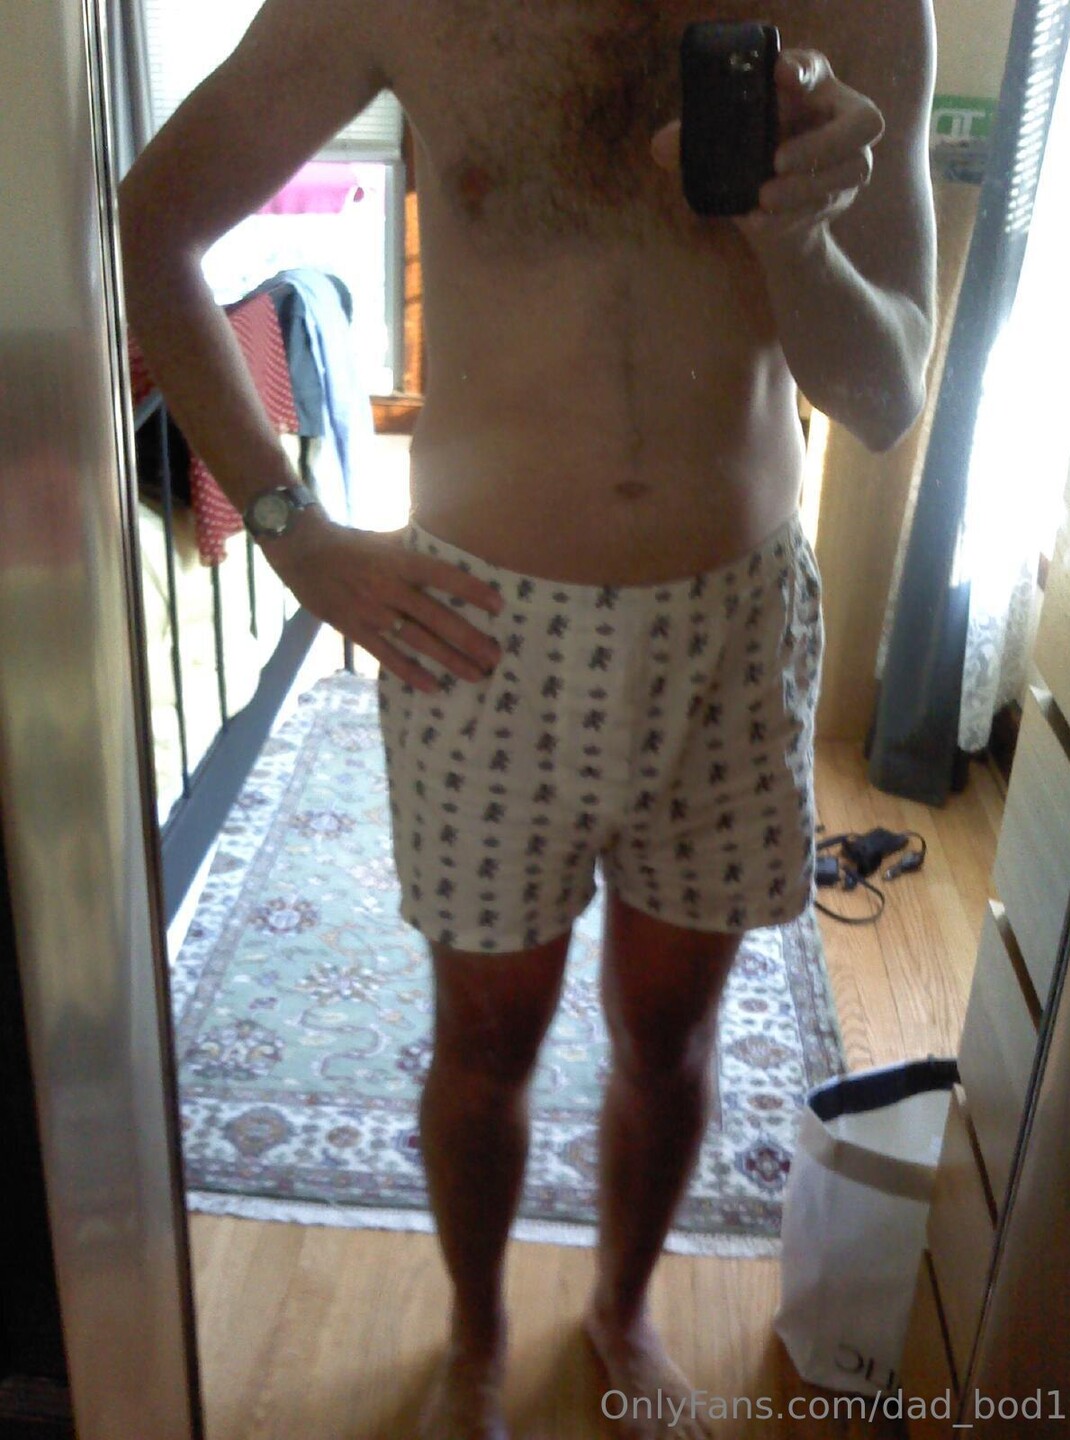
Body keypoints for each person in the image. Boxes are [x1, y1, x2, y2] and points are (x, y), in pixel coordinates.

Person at [119, 2, 936, 1435]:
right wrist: (295, 535)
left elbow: (882, 397)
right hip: (480, 633)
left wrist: (797, 238)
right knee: (485, 1037)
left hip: (733, 631)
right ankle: (479, 1339)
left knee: (672, 1034)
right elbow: (153, 224)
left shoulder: (864, 9)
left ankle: (620, 1312)